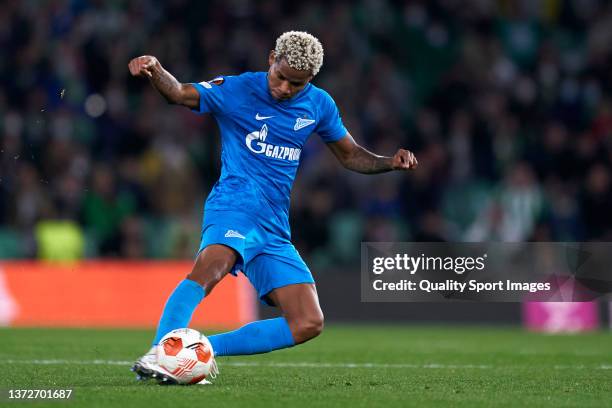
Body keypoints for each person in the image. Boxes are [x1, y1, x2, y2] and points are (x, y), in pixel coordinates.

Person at [128, 31, 417, 384]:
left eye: (296, 84)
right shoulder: (237, 89)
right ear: (270, 59)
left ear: (310, 80)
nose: (284, 88)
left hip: (274, 226)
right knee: (213, 268)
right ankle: (161, 353)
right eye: (280, 77)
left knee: (308, 321)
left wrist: (390, 161)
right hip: (233, 205)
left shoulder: (319, 105)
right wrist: (156, 69)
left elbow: (350, 154)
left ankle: (200, 350)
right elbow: (179, 93)